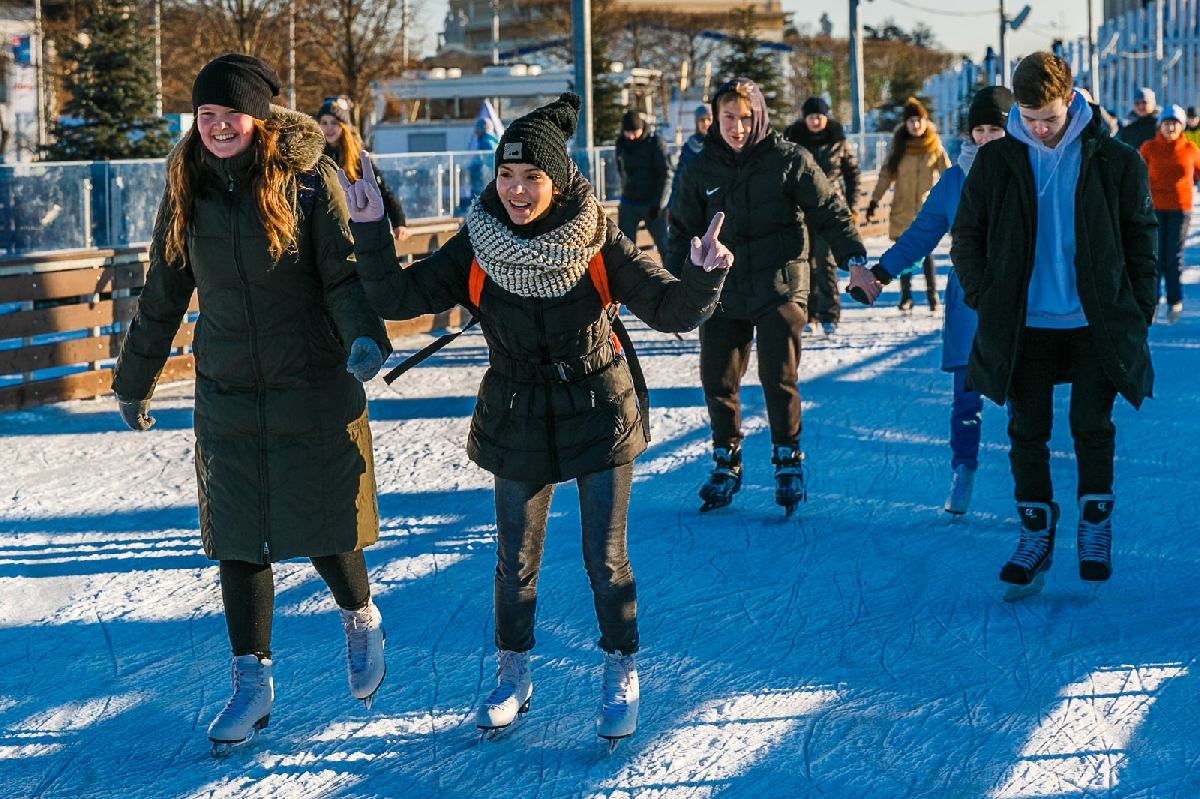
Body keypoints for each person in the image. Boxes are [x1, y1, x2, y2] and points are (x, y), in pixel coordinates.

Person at [338, 92, 732, 745]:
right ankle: (514, 672)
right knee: (514, 560)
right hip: (517, 410)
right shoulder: (479, 242)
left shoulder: (596, 241)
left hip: (598, 409)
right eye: (507, 175)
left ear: (558, 179)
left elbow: (670, 310)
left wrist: (700, 276)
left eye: (532, 177)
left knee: (605, 559)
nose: (518, 190)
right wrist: (373, 228)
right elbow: (397, 295)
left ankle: (620, 668)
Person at [112, 54, 393, 755]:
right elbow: (163, 291)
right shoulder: (187, 188)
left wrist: (362, 336)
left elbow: (342, 276)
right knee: (239, 538)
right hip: (230, 389)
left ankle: (359, 615)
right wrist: (134, 375)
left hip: (310, 378)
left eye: (227, 115)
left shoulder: (307, 179)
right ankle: (251, 680)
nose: (215, 126)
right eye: (205, 115)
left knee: (327, 523)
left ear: (257, 117)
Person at [950, 52, 1157, 597]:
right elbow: (966, 235)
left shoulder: (1114, 160)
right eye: (1029, 117)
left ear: (1070, 100)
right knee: (1027, 431)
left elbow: (1142, 237)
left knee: (1091, 425)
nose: (1040, 129)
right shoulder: (998, 162)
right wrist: (984, 294)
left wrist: (1137, 310)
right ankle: (1036, 533)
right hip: (1026, 324)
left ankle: (1095, 523)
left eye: (1049, 117)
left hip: (1094, 322)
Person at [668, 77, 868, 516]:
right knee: (718, 378)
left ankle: (787, 458)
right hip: (720, 288)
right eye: (727, 118)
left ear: (759, 116)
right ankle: (726, 460)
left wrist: (853, 256)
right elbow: (680, 229)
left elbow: (830, 210)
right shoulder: (700, 167)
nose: (737, 127)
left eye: (745, 118)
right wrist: (675, 292)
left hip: (780, 283)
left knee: (778, 376)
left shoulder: (788, 159)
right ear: (716, 119)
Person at [849, 86, 1015, 516]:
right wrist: (881, 274)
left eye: (994, 129)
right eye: (978, 130)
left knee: (1023, 393)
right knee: (967, 393)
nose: (985, 138)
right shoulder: (956, 178)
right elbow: (923, 233)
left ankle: (1027, 480)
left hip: (1019, 296)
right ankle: (964, 469)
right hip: (968, 298)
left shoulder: (1031, 170)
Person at [784, 96, 862, 335]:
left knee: (826, 262)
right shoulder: (794, 141)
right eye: (811, 117)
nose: (815, 121)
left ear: (826, 117)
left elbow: (852, 174)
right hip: (800, 210)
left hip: (829, 210)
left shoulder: (838, 140)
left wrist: (851, 207)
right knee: (804, 262)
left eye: (819, 117)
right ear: (804, 118)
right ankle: (810, 313)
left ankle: (830, 314)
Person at [866, 97, 951, 313]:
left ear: (926, 121)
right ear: (905, 123)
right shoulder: (899, 147)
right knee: (903, 253)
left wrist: (953, 200)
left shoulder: (934, 146)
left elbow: (948, 175)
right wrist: (875, 199)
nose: (915, 125)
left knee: (926, 254)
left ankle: (932, 296)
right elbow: (886, 175)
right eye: (911, 121)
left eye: (919, 120)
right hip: (902, 208)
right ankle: (906, 297)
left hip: (926, 209)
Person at [316, 95, 410, 242]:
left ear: (343, 126)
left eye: (334, 123)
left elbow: (380, 190)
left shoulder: (357, 158)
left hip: (355, 227)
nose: (328, 128)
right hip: (326, 229)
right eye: (324, 122)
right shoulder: (316, 155)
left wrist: (399, 222)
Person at [1139, 103, 1200, 324]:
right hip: (1153, 208)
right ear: (1160, 126)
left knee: (1172, 258)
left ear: (1182, 126)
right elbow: (1136, 174)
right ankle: (1152, 302)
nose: (1170, 127)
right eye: (1166, 123)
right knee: (1154, 257)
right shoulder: (1149, 148)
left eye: (1174, 123)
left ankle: (1175, 301)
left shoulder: (1190, 149)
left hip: (1180, 209)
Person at [615, 110, 672, 258]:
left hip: (652, 201)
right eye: (628, 133)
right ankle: (628, 278)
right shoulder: (621, 143)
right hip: (629, 199)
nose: (631, 136)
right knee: (624, 246)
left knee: (664, 244)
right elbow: (620, 169)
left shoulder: (655, 142)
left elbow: (666, 174)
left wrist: (659, 204)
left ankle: (673, 277)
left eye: (635, 132)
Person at [667, 103, 713, 214]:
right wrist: (671, 204)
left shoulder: (722, 145)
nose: (705, 123)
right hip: (694, 202)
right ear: (696, 123)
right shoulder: (689, 147)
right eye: (701, 120)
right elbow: (679, 177)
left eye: (708, 119)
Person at [459, 115, 501, 213]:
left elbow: (489, 161)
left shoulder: (486, 142)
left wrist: (481, 168)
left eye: (477, 129)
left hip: (484, 177)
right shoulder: (493, 140)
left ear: (482, 130)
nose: (475, 132)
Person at [1116, 87, 1159, 152]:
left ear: (1152, 104)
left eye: (1144, 102)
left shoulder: (1160, 127)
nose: (1141, 106)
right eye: (1137, 103)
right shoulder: (1129, 130)